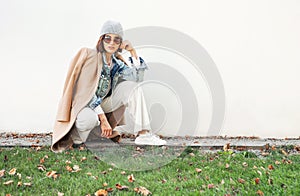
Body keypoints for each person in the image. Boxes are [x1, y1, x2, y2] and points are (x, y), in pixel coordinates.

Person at [51, 20, 166, 152]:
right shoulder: (90, 55)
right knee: (88, 120)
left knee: (132, 87)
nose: (111, 43)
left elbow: (137, 79)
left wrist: (132, 52)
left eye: (116, 40)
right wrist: (103, 119)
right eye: (108, 38)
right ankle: (77, 136)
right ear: (101, 39)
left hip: (103, 103)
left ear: (120, 43)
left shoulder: (117, 62)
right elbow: (86, 92)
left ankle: (143, 133)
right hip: (85, 104)